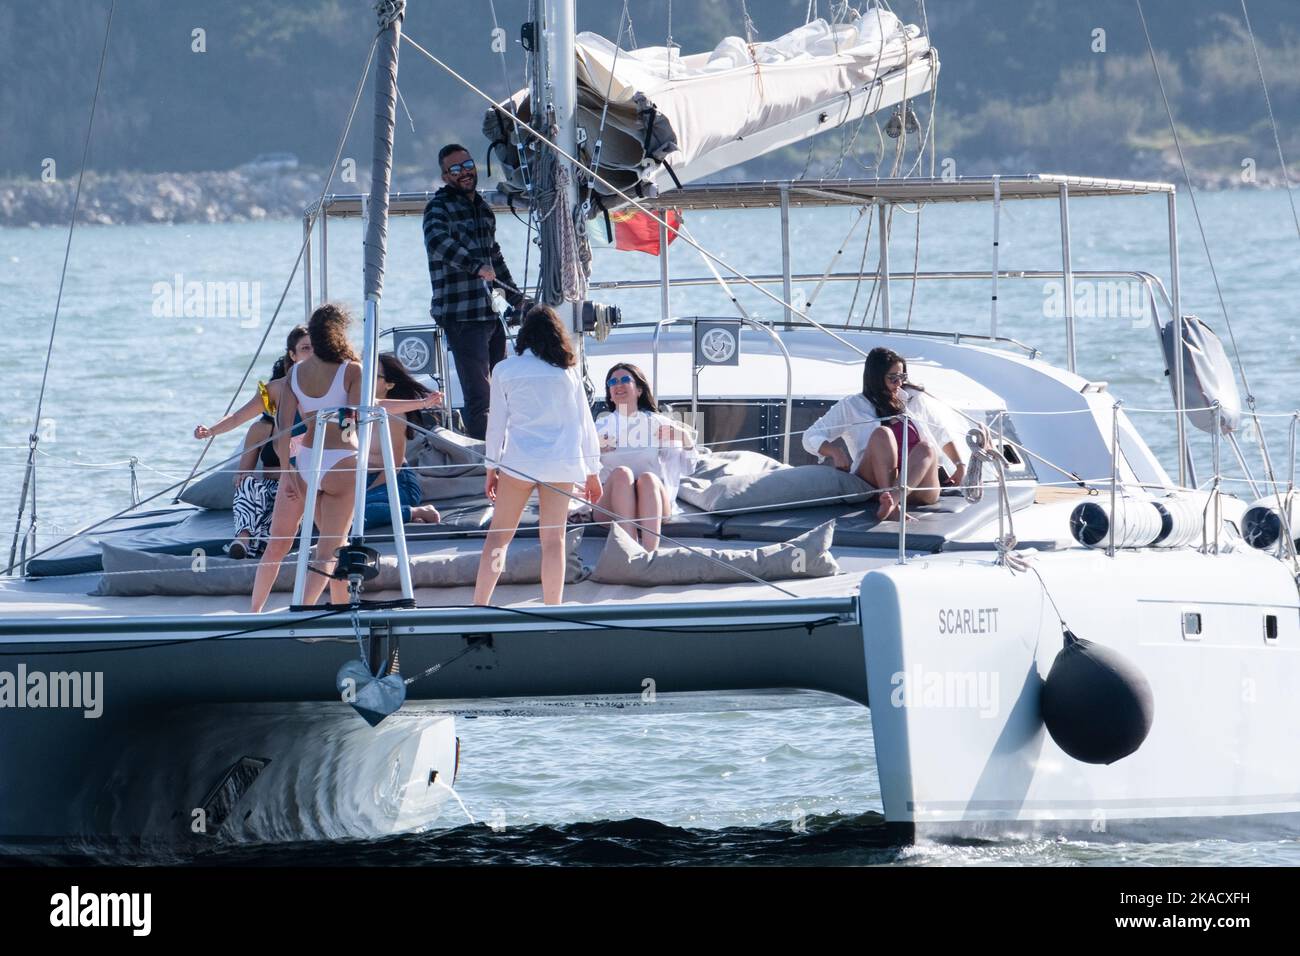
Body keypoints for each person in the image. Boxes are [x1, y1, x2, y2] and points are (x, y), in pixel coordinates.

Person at [474, 305, 602, 606]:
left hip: (519, 463)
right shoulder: (567, 372)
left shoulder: (504, 370)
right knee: (553, 540)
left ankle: (480, 604)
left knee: (498, 539)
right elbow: (584, 423)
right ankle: (552, 606)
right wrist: (593, 471)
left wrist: (491, 467)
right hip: (560, 463)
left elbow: (497, 426)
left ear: (524, 335)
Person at [251, 304, 362, 612]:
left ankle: (342, 608)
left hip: (306, 461)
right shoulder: (352, 370)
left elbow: (282, 429)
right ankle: (301, 612)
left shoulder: (296, 373)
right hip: (341, 460)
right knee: (328, 550)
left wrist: (287, 472)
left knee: (332, 547)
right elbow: (350, 425)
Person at [422, 143, 526, 440]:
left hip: (490, 313)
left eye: (467, 165)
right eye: (454, 169)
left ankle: (509, 449)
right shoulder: (438, 208)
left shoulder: (482, 207)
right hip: (461, 315)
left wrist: (517, 297)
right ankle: (484, 459)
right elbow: (437, 243)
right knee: (479, 394)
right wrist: (474, 265)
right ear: (444, 177)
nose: (464, 173)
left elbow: (494, 256)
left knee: (502, 388)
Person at [803, 346, 967, 520]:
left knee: (927, 447)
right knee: (882, 434)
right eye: (893, 378)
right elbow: (810, 436)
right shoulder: (852, 405)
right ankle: (889, 501)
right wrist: (835, 452)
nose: (899, 383)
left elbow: (940, 432)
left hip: (917, 485)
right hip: (874, 484)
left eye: (902, 377)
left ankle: (891, 503)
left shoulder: (913, 398)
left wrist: (959, 464)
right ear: (876, 378)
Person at [193, 325, 311, 559]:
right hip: (271, 487)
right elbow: (237, 417)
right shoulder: (272, 399)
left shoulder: (328, 388)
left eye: (316, 348)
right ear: (293, 355)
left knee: (281, 506)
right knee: (248, 485)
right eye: (305, 348)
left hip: (304, 481)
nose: (312, 353)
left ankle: (260, 543)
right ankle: (244, 539)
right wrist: (210, 430)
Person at [592, 362, 697, 550]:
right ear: (609, 392)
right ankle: (631, 550)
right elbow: (580, 472)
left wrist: (686, 439)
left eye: (625, 379)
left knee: (648, 479)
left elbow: (688, 469)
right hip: (610, 508)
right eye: (612, 382)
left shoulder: (660, 424)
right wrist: (594, 449)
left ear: (639, 390)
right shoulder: (598, 429)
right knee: (622, 474)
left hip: (652, 506)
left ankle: (649, 553)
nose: (618, 384)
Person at [364, 352, 444, 527]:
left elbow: (395, 465)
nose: (364, 378)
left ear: (389, 384)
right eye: (363, 371)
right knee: (332, 512)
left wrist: (367, 492)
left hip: (395, 479)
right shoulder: (354, 407)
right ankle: (396, 513)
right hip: (361, 480)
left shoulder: (395, 415)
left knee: (354, 514)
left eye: (372, 375)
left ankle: (415, 512)